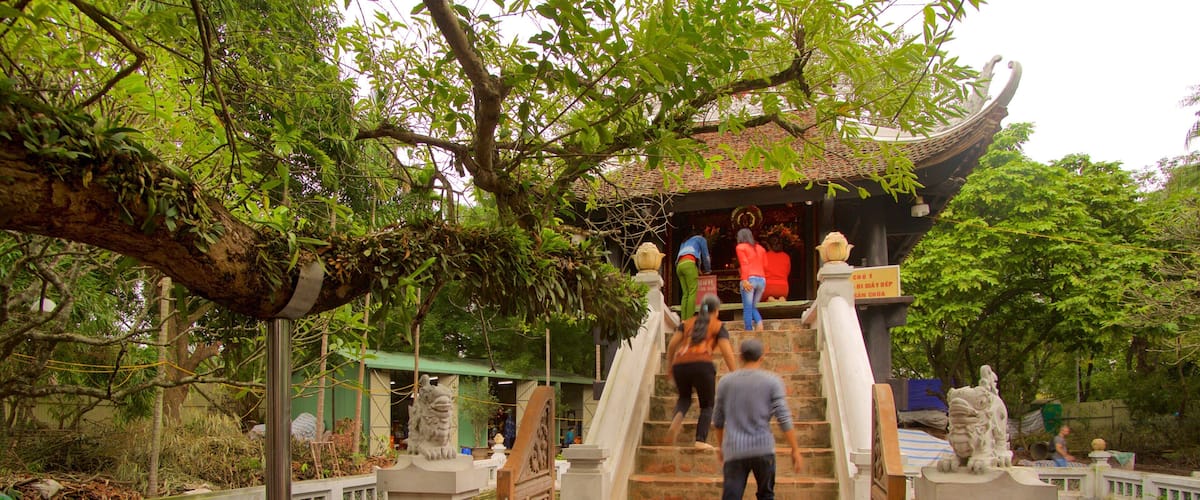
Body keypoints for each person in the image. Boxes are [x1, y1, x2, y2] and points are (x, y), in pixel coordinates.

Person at [714, 338, 803, 500]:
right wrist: (795, 449)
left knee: (731, 496)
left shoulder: (725, 382)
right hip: (763, 449)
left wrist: (721, 447)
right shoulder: (772, 381)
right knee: (766, 495)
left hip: (734, 450)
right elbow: (783, 417)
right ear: (761, 358)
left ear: (740, 357)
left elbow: (718, 420)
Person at [665, 294, 738, 449]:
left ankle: (677, 417)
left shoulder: (687, 323)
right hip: (702, 364)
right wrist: (735, 373)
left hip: (680, 364)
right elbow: (727, 352)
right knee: (707, 405)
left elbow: (672, 345)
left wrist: (670, 366)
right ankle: (700, 440)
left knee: (684, 398)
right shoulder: (718, 326)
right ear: (716, 310)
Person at [676, 228, 712, 319]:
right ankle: (689, 319)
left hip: (679, 266)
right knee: (692, 292)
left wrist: (698, 269)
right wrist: (708, 270)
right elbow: (705, 255)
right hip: (689, 264)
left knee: (685, 294)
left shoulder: (684, 242)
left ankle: (683, 320)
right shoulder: (701, 239)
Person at [735, 228, 767, 331]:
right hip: (762, 280)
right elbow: (765, 265)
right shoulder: (761, 248)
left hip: (750, 278)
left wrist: (744, 280)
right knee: (753, 306)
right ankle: (759, 323)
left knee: (748, 307)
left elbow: (744, 263)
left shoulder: (740, 247)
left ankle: (748, 329)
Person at [763, 236, 791, 302]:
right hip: (783, 288)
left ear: (768, 245)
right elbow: (787, 273)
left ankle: (770, 298)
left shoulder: (764, 256)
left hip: (768, 288)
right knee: (782, 297)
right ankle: (782, 298)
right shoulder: (786, 257)